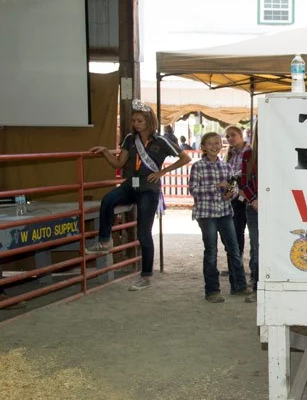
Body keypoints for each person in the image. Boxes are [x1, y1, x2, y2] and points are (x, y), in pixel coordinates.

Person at [87, 101, 191, 290]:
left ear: (149, 121)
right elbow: (118, 164)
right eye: (134, 120)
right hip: (130, 185)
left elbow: (185, 158)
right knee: (108, 200)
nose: (136, 124)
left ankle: (146, 276)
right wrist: (105, 152)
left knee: (143, 232)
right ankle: (104, 241)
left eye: (139, 121)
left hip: (149, 189)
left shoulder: (161, 141)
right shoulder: (129, 139)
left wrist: (162, 172)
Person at [188, 132, 249, 303]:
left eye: (217, 143)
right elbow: (193, 190)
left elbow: (233, 189)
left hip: (225, 212)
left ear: (221, 146)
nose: (214, 146)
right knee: (211, 251)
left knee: (234, 249)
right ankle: (212, 291)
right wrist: (216, 187)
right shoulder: (198, 166)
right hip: (206, 214)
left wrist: (230, 192)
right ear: (203, 147)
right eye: (210, 143)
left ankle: (239, 286)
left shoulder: (226, 166)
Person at [236, 129, 259, 303]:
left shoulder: (282, 151)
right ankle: (257, 284)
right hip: (255, 206)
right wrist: (253, 199)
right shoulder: (249, 154)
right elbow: (244, 183)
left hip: (277, 206)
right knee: (257, 246)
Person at [224, 125, 250, 266]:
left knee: (247, 233)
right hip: (235, 198)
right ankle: (236, 265)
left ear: (241, 135)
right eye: (227, 136)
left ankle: (244, 266)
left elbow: (242, 176)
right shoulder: (230, 154)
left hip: (248, 197)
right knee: (234, 233)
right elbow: (231, 178)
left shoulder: (250, 151)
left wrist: (235, 186)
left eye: (233, 135)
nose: (230, 138)